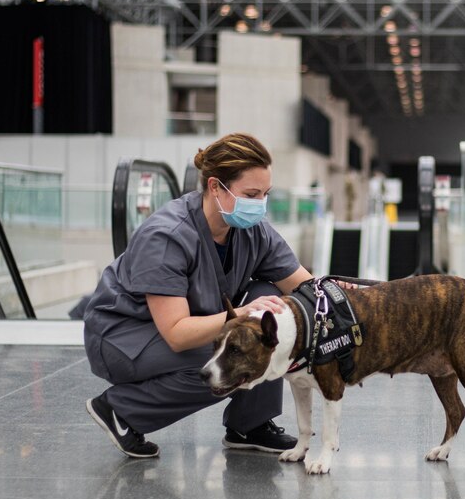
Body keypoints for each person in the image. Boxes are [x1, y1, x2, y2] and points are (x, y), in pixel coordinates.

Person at [83, 132, 316, 458]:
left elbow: (304, 286)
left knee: (271, 302)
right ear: (215, 187)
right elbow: (177, 334)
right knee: (227, 357)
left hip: (183, 328)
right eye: (251, 193)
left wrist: (341, 294)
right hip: (124, 336)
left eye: (265, 194)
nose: (259, 204)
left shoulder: (251, 230)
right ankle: (120, 410)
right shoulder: (167, 236)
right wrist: (244, 313)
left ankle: (250, 424)